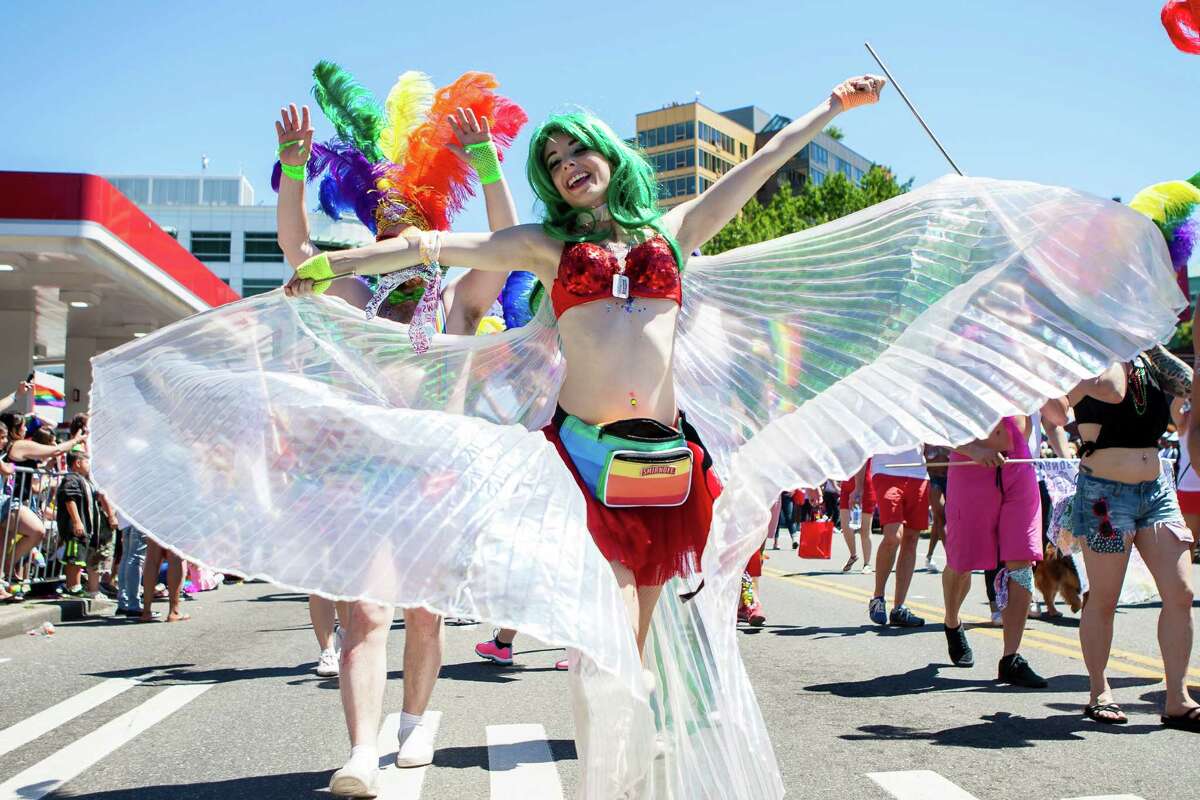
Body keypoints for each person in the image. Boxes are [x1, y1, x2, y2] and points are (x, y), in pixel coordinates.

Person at [93, 65, 1187, 795]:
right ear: (548, 180)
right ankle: (602, 769)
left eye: (584, 155)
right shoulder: (532, 245)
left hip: (675, 457)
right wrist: (338, 256)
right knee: (605, 632)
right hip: (575, 455)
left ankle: (653, 761)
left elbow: (748, 179)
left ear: (611, 158)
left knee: (665, 630)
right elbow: (423, 250)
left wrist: (822, 118)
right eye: (556, 160)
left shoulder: (667, 231)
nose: (574, 167)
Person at [274, 63, 528, 796]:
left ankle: (414, 725)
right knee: (366, 611)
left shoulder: (454, 299)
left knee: (423, 617)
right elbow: (297, 250)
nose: (401, 232)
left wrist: (484, 163)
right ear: (374, 227)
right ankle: (360, 751)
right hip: (362, 475)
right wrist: (295, 166)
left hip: (439, 477)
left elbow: (509, 247)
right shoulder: (352, 288)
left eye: (414, 221)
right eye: (389, 222)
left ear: (433, 229)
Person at [1068, 348, 1200, 728]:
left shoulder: (1148, 358)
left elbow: (1187, 385)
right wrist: (1100, 355)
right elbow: (1073, 404)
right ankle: (1099, 691)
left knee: (1181, 593)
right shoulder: (1086, 355)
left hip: (1157, 491)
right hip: (1105, 498)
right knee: (1104, 598)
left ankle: (1177, 698)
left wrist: (1150, 346)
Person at [939, 416, 1048, 687]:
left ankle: (1011, 657)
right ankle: (952, 621)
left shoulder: (1026, 374)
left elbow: (1051, 416)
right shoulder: (955, 375)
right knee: (962, 563)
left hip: (1018, 466)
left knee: (1021, 559)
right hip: (971, 466)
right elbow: (934, 425)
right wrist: (974, 449)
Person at [0, 413, 84, 599]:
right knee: (36, 530)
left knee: (5, 542)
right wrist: (76, 440)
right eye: (22, 426)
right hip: (10, 500)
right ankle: (7, 568)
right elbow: (53, 451)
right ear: (14, 429)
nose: (25, 430)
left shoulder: (8, 445)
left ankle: (3, 578)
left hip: (10, 499)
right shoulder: (17, 445)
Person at [868, 448, 930, 627]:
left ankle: (899, 608)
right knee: (894, 536)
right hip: (886, 470)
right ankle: (877, 598)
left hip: (918, 473)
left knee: (911, 540)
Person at [56, 448, 118, 599]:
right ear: (77, 463)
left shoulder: (86, 481)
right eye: (86, 462)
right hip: (75, 526)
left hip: (85, 529)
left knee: (80, 557)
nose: (89, 465)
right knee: (74, 557)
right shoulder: (71, 479)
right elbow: (69, 499)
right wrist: (77, 521)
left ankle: (76, 587)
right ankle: (72, 587)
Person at [839, 462, 875, 573]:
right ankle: (853, 555)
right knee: (845, 526)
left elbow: (862, 462)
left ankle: (867, 563)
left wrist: (858, 488)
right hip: (847, 485)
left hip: (865, 485)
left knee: (865, 529)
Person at [923, 444, 951, 573]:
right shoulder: (927, 439)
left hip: (951, 478)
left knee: (938, 521)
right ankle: (950, 557)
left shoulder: (950, 437)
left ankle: (929, 556)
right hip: (933, 479)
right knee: (941, 517)